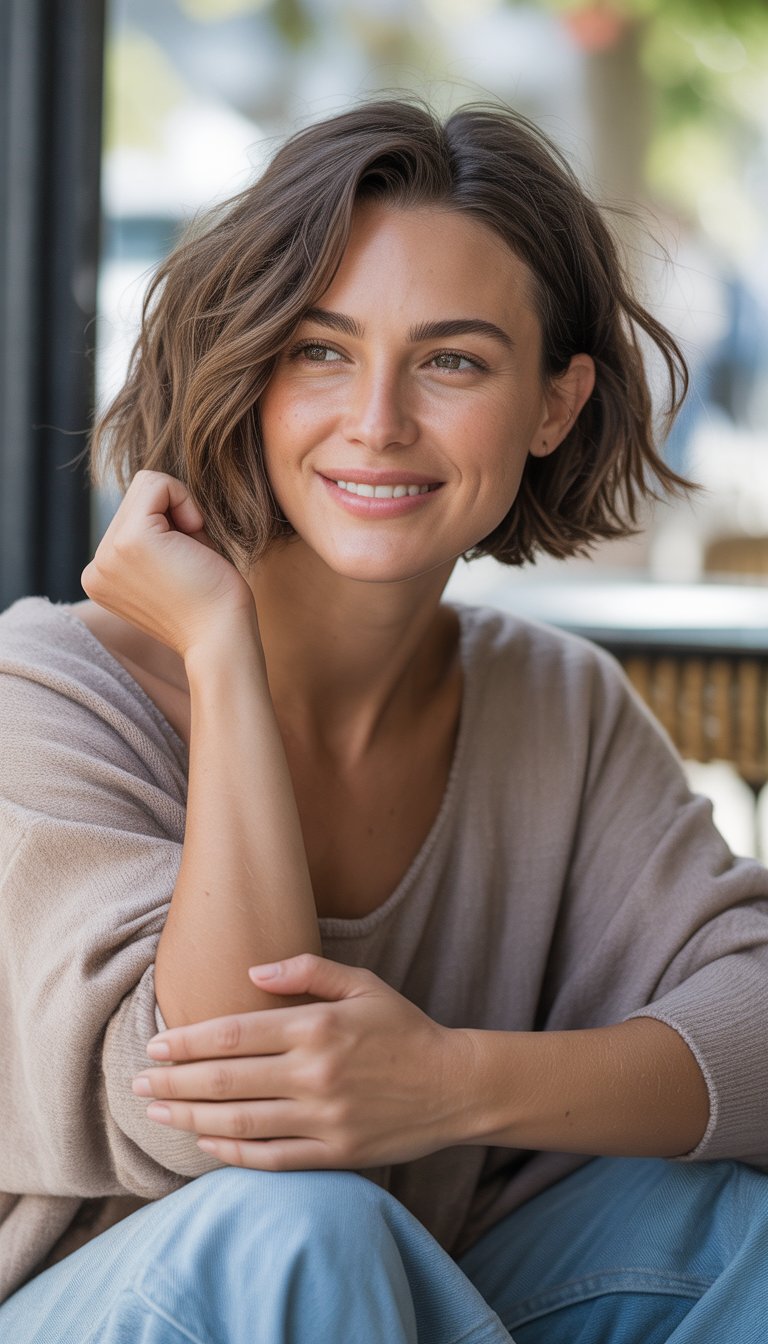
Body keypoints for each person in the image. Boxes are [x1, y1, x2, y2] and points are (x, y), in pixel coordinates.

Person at [0, 98, 767, 1344]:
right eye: (320, 350)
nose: (377, 420)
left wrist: (452, 1084)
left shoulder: (553, 705)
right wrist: (222, 655)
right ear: (250, 371)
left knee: (728, 1226)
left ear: (555, 406)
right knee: (303, 1225)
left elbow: (756, 1027)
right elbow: (235, 1103)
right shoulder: (45, 692)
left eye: (452, 361)